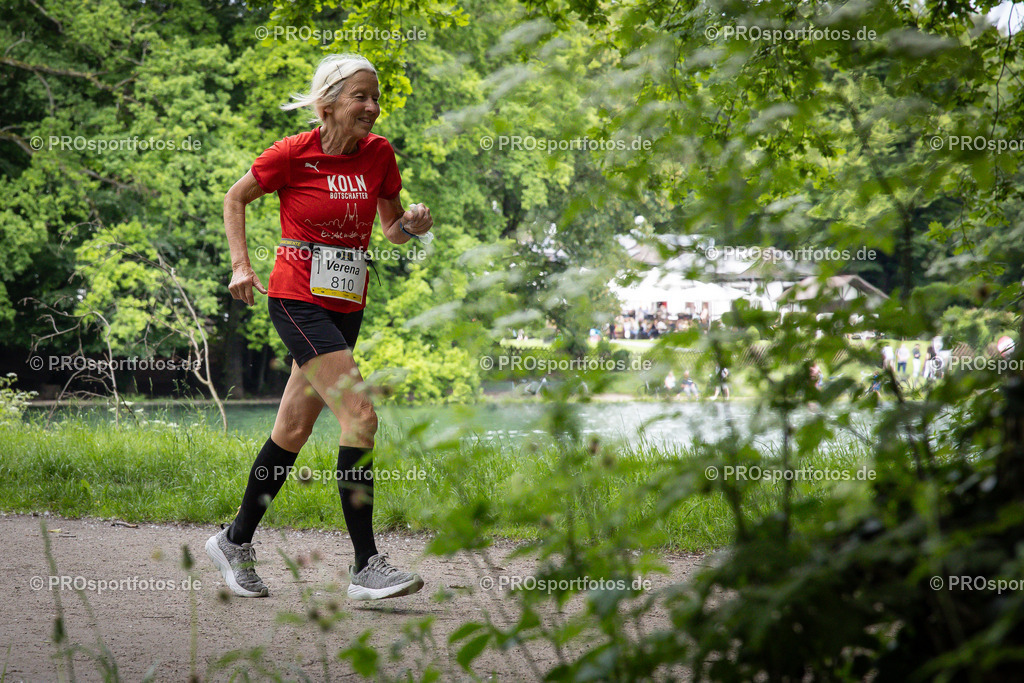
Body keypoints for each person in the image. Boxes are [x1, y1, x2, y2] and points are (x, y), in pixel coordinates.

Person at [206, 54, 431, 601]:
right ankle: (365, 566)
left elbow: (391, 229)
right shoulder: (293, 152)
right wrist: (241, 266)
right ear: (328, 103)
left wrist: (412, 226)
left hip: (347, 302)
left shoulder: (379, 154)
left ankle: (234, 540)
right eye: (361, 97)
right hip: (297, 299)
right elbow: (235, 197)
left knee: (292, 430)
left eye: (376, 98)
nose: (372, 108)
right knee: (361, 415)